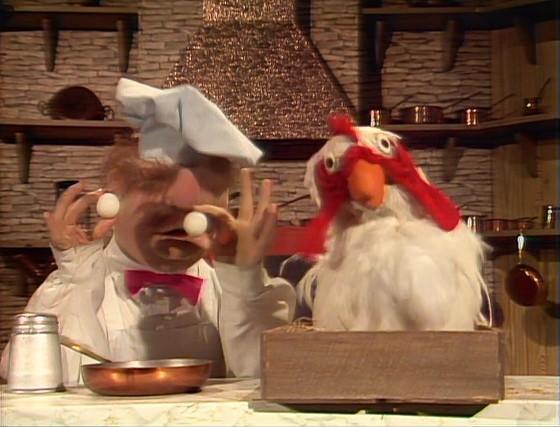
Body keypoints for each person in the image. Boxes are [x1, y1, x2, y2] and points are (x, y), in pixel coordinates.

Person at [0, 78, 296, 385]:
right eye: (163, 211)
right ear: (113, 199)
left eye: (201, 217)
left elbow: (267, 378)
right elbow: (34, 382)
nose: (184, 227)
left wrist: (244, 279)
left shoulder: (226, 290)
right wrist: (77, 278)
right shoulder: (81, 284)